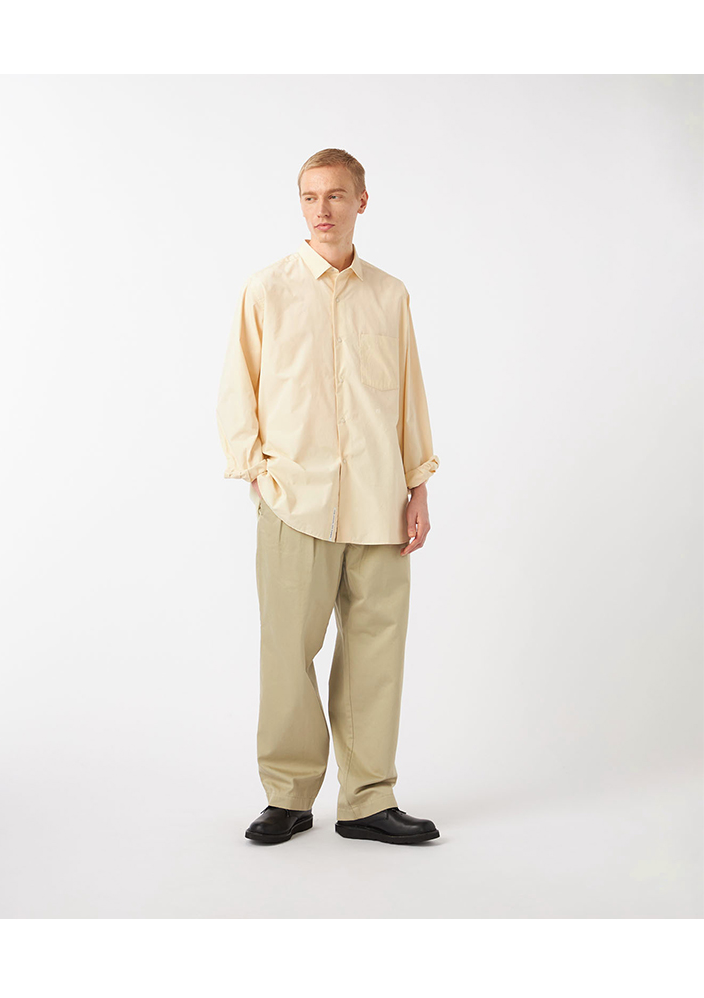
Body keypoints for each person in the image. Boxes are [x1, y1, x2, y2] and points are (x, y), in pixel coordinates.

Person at [216, 148, 440, 845]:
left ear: (361, 202)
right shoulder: (267, 290)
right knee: (288, 653)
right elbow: (238, 389)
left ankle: (368, 801)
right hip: (295, 499)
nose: (322, 209)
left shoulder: (390, 295)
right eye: (310, 196)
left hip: (379, 501)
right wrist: (258, 471)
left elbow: (409, 397)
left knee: (376, 656)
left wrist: (418, 485)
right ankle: (288, 796)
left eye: (336, 196)